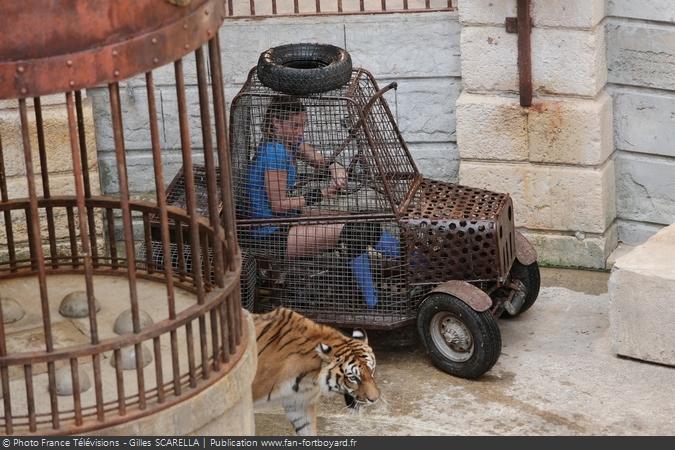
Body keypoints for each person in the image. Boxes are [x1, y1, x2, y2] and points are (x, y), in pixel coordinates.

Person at [247, 95, 399, 307]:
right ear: (276, 122)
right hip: (270, 234)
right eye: (295, 126)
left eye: (303, 125)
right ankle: (375, 300)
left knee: (357, 221)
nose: (300, 131)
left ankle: (409, 265)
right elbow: (278, 204)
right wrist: (318, 194)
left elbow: (316, 157)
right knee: (354, 231)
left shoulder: (289, 143)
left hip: (286, 220)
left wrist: (334, 167)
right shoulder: (275, 152)